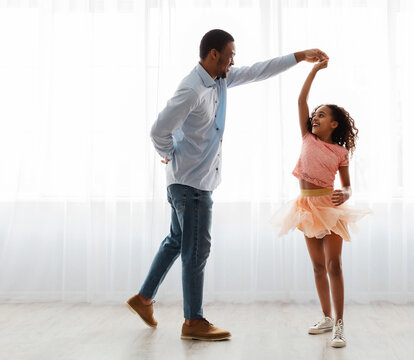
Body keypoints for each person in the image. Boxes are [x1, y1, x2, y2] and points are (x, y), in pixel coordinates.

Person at [125, 28, 328, 341]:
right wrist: (168, 155)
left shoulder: (220, 80)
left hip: (191, 182)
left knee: (177, 241)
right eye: (230, 55)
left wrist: (300, 56)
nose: (234, 61)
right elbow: (158, 131)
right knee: (196, 251)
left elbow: (258, 70)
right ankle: (193, 321)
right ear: (214, 54)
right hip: (190, 184)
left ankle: (143, 299)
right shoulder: (192, 89)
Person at [270, 59, 372, 348]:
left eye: (322, 115)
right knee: (317, 267)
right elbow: (301, 99)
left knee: (334, 265)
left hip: (330, 208)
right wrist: (313, 70)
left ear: (334, 124)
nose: (315, 117)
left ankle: (340, 324)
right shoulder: (306, 137)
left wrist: (347, 193)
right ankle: (326, 317)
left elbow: (348, 185)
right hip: (306, 207)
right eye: (314, 114)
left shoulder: (340, 151)